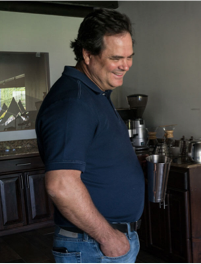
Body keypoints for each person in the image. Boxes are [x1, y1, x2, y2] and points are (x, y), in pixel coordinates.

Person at [36, 8, 144, 264]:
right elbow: (61, 185)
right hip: (94, 246)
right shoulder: (73, 102)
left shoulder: (94, 93)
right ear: (87, 54)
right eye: (116, 57)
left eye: (129, 57)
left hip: (100, 243)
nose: (126, 65)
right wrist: (109, 238)